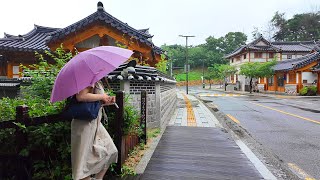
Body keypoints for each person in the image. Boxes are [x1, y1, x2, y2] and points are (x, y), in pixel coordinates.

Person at [71, 80, 118, 180]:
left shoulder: (97, 80)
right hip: (84, 124)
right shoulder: (88, 78)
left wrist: (107, 100)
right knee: (81, 165)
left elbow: (93, 103)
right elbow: (81, 96)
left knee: (111, 151)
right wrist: (102, 96)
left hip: (95, 123)